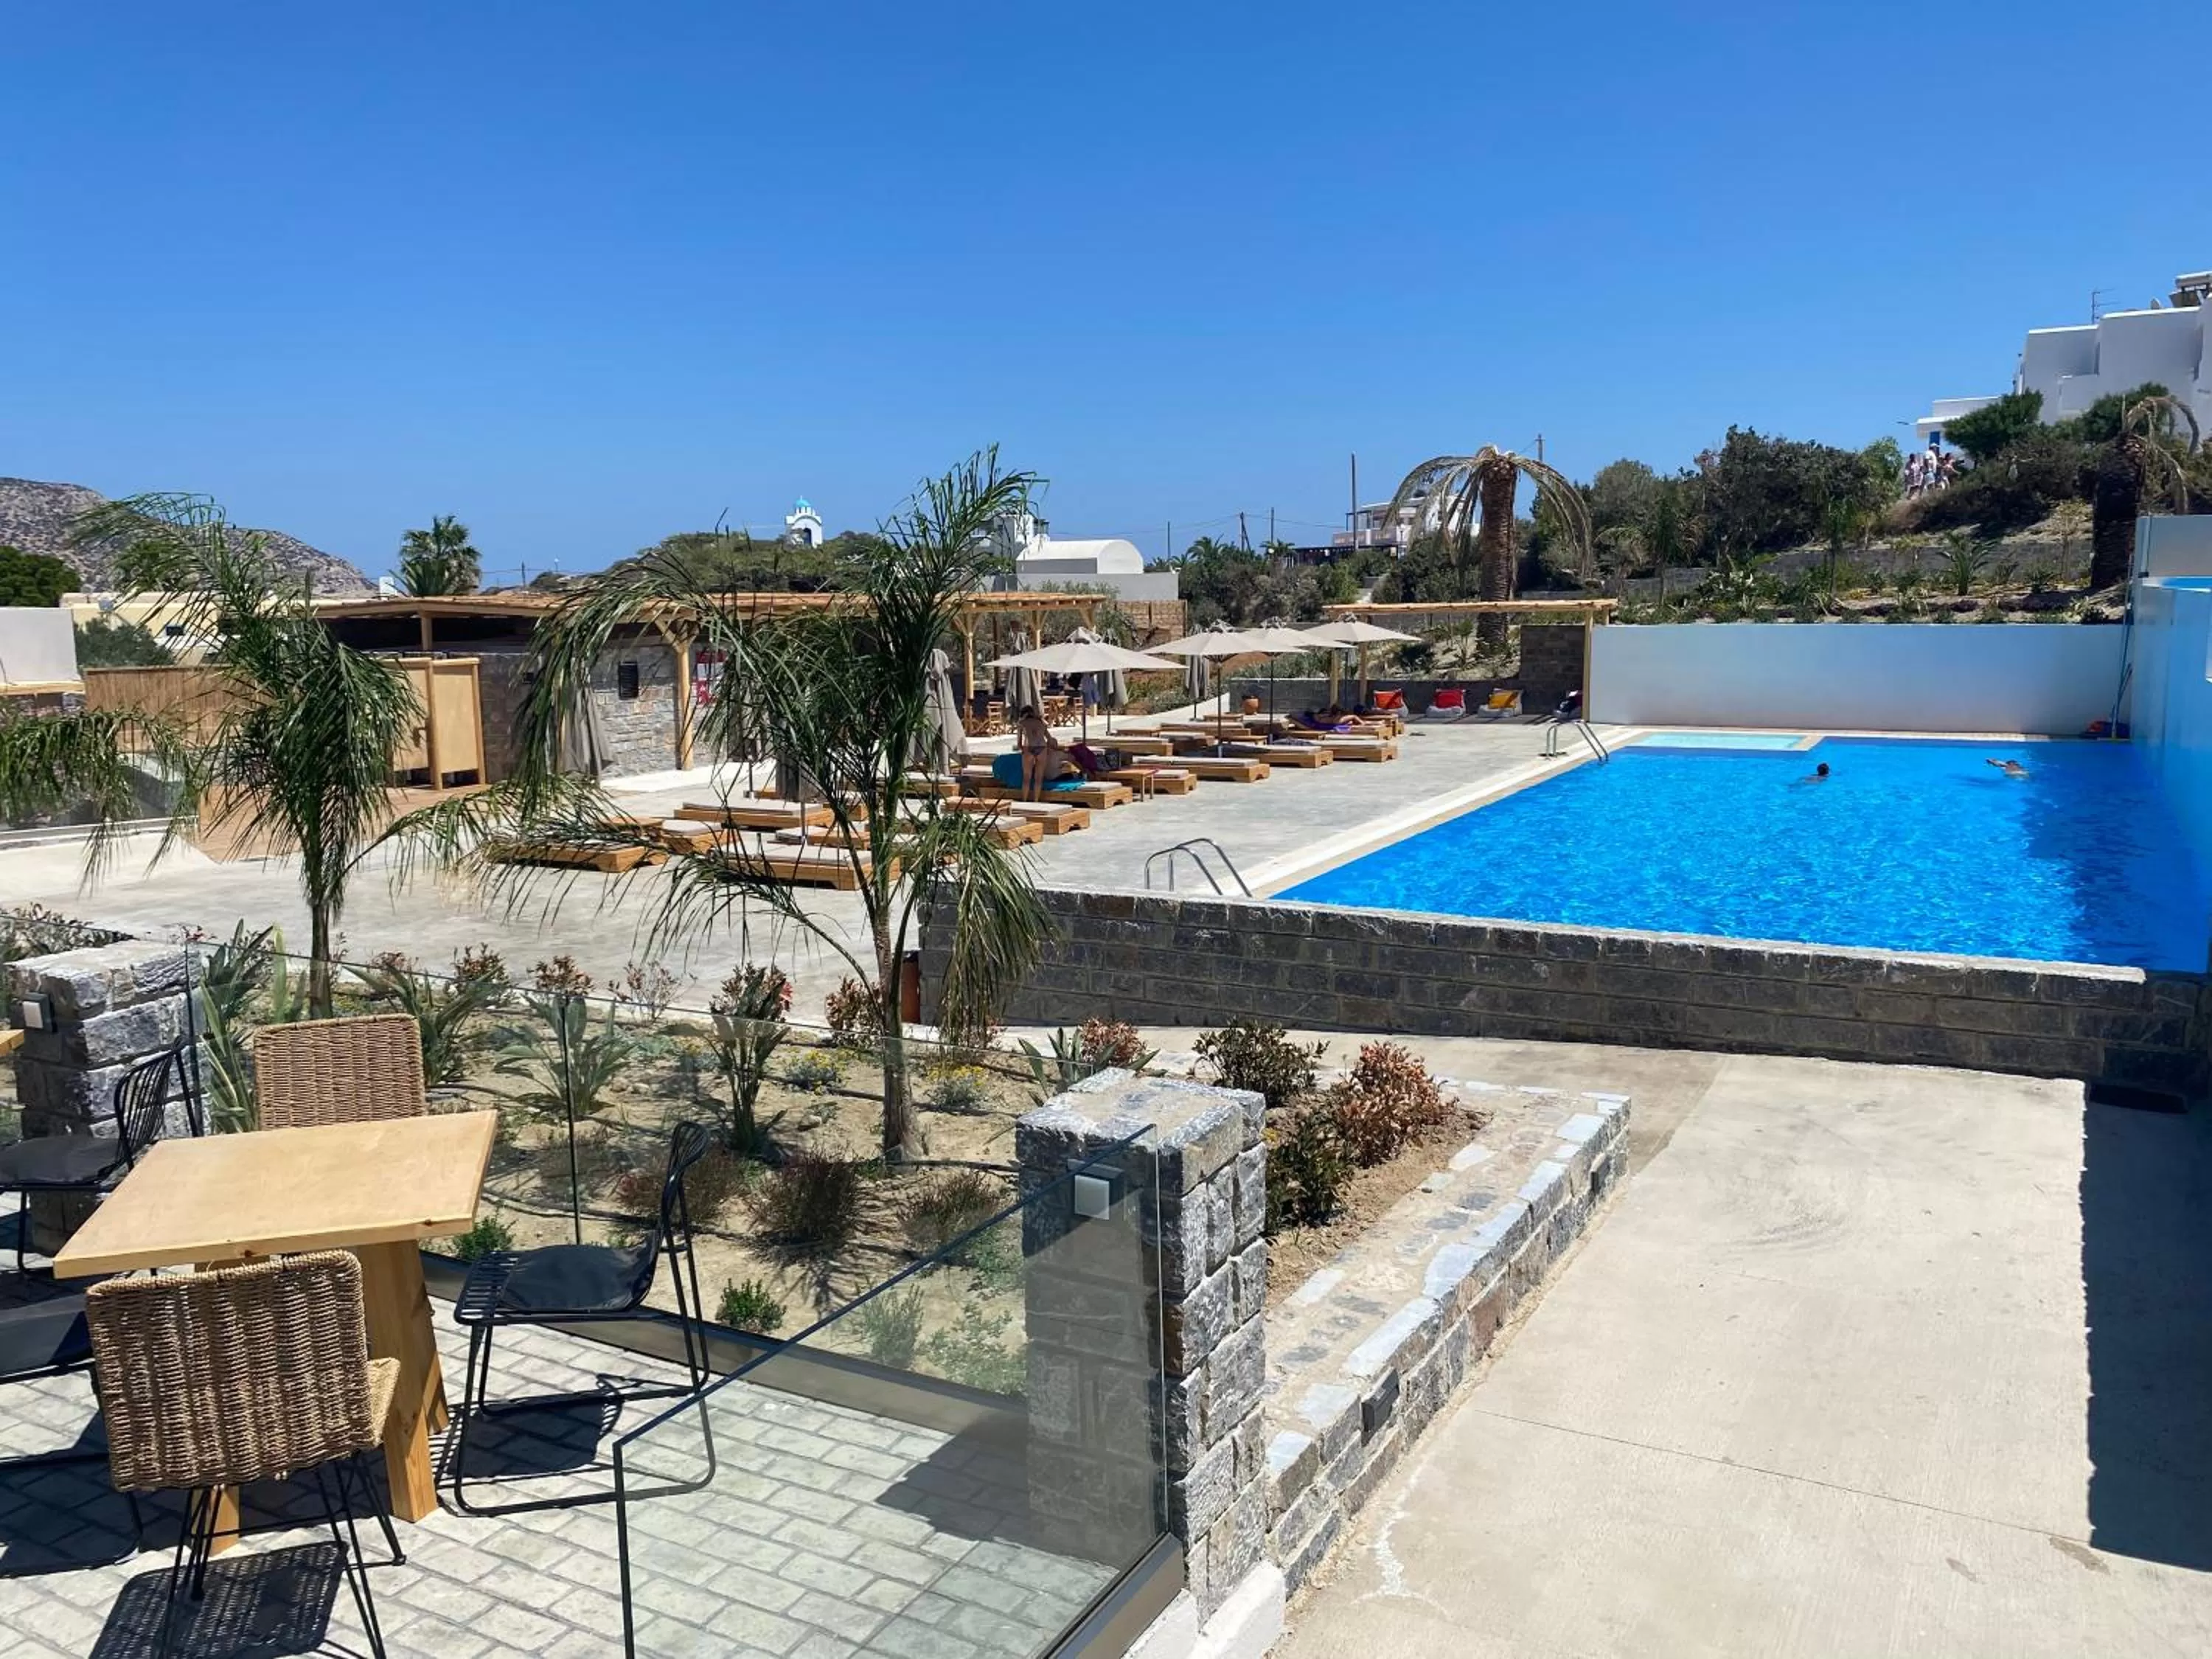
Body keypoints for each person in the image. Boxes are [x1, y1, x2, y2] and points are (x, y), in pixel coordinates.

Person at [1015, 705, 1057, 801]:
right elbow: (1050, 739)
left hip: (1029, 747)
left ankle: (1024, 800)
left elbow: (1019, 744)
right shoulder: (1041, 722)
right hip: (1042, 747)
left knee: (1026, 777)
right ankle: (1036, 801)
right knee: (1038, 777)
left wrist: (1023, 750)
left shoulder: (1022, 723)